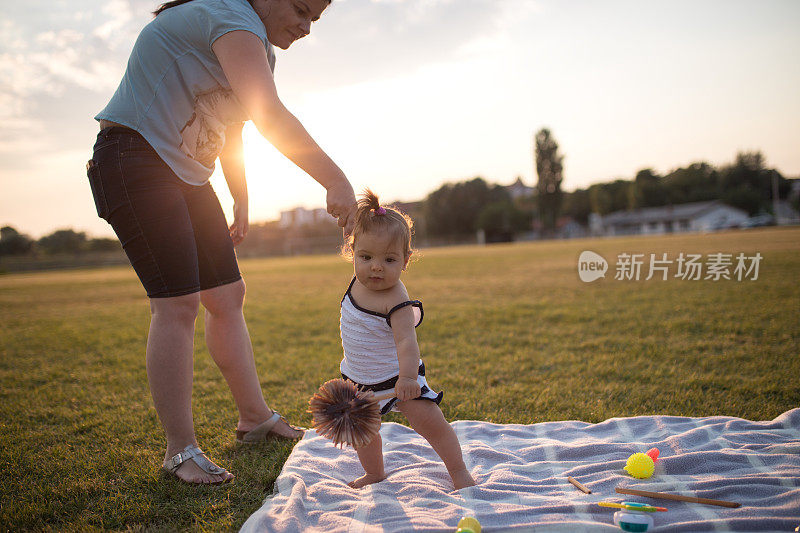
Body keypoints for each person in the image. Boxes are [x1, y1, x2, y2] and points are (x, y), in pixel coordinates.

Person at [86, 0, 357, 485]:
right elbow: (267, 113)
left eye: (315, 18)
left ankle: (254, 419)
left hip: (187, 175)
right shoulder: (231, 16)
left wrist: (241, 198)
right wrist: (334, 178)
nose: (306, 26)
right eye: (300, 9)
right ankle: (179, 451)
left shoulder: (257, 49)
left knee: (227, 296)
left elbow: (231, 130)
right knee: (178, 304)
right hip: (133, 158)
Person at [337, 190, 476, 490]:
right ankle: (374, 473)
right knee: (365, 431)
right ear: (352, 251)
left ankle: (459, 471)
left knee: (430, 422)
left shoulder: (396, 297)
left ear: (406, 260)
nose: (376, 267)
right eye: (366, 257)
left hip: (399, 378)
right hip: (359, 378)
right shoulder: (356, 283)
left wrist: (408, 377)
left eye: (389, 259)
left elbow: (406, 342)